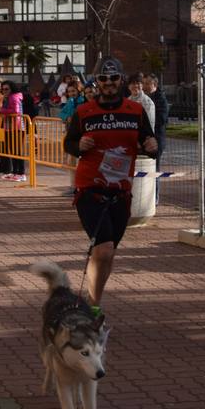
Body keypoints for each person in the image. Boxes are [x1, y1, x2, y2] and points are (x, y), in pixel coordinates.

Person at [63, 58, 157, 310]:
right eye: (103, 79)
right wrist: (78, 146)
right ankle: (94, 306)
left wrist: (152, 145)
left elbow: (150, 141)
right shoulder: (84, 112)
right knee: (103, 250)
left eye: (113, 78)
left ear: (121, 80)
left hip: (121, 192)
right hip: (90, 189)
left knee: (106, 252)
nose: (108, 83)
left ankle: (94, 299)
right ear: (97, 82)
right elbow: (69, 143)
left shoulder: (135, 111)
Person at [0, 79, 28, 181]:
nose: (4, 91)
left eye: (6, 89)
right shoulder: (7, 97)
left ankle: (21, 173)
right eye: (2, 89)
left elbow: (16, 111)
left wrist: (1, 110)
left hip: (17, 127)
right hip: (10, 127)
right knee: (13, 151)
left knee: (17, 151)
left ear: (12, 89)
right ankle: (15, 172)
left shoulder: (14, 97)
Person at [143, 74, 169, 165]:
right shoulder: (143, 98)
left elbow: (162, 119)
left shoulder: (160, 99)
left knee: (153, 168)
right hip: (144, 138)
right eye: (143, 83)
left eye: (147, 83)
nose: (144, 86)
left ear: (155, 85)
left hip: (156, 138)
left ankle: (156, 179)